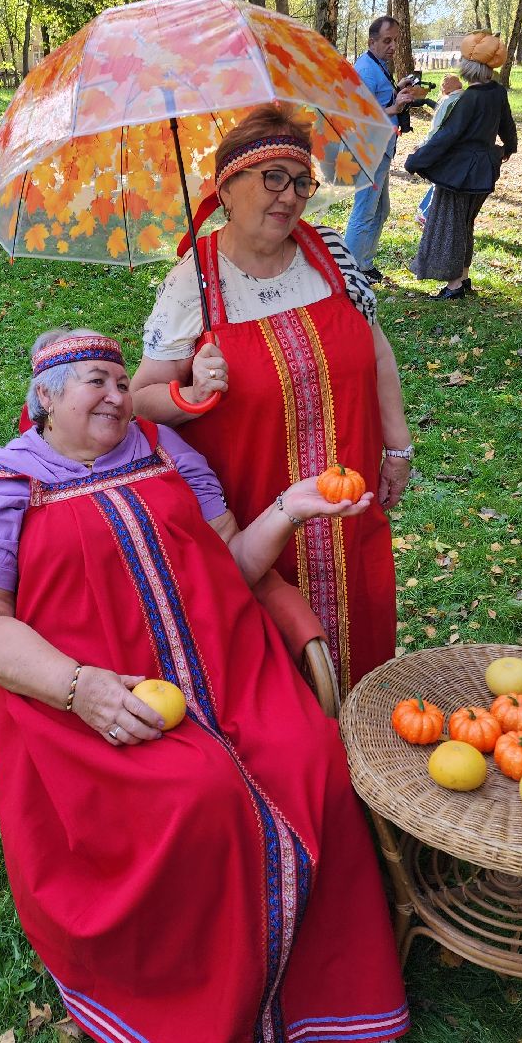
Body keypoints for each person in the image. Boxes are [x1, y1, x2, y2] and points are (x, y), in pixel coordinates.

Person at [0, 328, 410, 1043]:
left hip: (228, 670)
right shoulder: (0, 485)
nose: (118, 394)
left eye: (123, 382)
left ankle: (322, 996)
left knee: (311, 759)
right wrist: (80, 689)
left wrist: (289, 507)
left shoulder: (164, 451)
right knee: (198, 797)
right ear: (45, 396)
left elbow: (231, 566)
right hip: (91, 701)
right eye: (96, 379)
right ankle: (194, 1001)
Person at [131, 104, 415, 692]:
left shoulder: (331, 255)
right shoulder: (195, 282)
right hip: (257, 519)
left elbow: (377, 350)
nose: (289, 196)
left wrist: (398, 449)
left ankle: (363, 755)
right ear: (227, 188)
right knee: (271, 666)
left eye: (302, 180)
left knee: (360, 637)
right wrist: (190, 390)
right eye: (273, 178)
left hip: (348, 500)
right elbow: (140, 399)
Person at [404, 49, 517, 300]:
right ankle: (463, 278)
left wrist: (416, 160)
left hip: (462, 173)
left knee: (452, 225)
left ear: (469, 68)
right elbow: (507, 124)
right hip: (485, 168)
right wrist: (509, 148)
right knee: (465, 224)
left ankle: (454, 285)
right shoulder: (497, 91)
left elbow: (448, 135)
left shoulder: (470, 98)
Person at [344, 16, 427, 283]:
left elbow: (376, 99)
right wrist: (394, 107)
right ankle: (351, 271)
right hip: (369, 148)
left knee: (380, 210)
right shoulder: (365, 69)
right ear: (372, 41)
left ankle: (364, 265)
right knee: (365, 210)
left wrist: (397, 89)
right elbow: (358, 113)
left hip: (382, 148)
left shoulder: (378, 64)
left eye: (395, 41)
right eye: (386, 41)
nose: (393, 46)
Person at [415, 73, 463, 228]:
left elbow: (435, 128)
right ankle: (424, 210)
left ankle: (427, 213)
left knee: (439, 181)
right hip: (460, 148)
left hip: (444, 147)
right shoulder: (466, 99)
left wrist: (423, 144)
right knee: (440, 181)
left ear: (444, 88)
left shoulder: (447, 101)